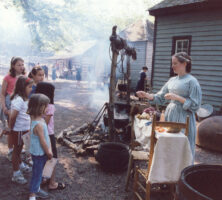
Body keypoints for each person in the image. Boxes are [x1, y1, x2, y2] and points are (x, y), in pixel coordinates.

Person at [136, 52, 202, 160]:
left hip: (184, 117)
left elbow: (195, 105)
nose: (172, 66)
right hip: (170, 114)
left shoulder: (192, 81)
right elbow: (161, 97)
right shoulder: (172, 80)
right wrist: (147, 95)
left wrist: (177, 98)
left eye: (175, 63)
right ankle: (168, 174)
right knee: (169, 145)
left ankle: (182, 173)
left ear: (184, 63)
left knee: (181, 147)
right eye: (172, 63)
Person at [35, 82, 66, 190]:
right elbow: (45, 123)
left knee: (41, 157)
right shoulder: (50, 106)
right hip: (48, 134)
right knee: (52, 158)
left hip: (37, 134)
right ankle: (52, 183)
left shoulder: (35, 105)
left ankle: (43, 179)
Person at [27, 94, 53, 200]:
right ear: (41, 107)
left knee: (38, 172)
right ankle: (32, 195)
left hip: (39, 153)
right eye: (46, 106)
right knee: (37, 174)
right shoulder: (38, 124)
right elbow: (42, 141)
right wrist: (49, 152)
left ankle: (36, 189)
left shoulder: (38, 119)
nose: (48, 108)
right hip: (39, 153)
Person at [9, 76, 33, 184]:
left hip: (24, 130)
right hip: (18, 130)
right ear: (23, 87)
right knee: (16, 152)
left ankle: (20, 166)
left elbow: (25, 114)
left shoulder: (24, 99)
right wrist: (10, 129)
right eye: (29, 87)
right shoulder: (18, 99)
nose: (31, 89)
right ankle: (16, 174)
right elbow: (13, 116)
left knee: (19, 150)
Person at [0, 57, 26, 161]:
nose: (21, 67)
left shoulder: (24, 77)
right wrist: (4, 107)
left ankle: (18, 147)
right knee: (12, 127)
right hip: (10, 103)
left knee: (19, 127)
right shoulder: (7, 78)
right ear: (13, 66)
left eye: (22, 64)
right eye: (19, 65)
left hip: (21, 103)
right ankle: (11, 149)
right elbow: (2, 94)